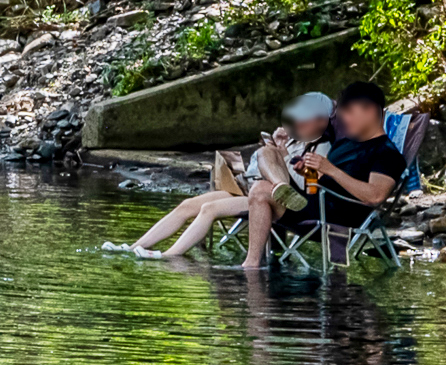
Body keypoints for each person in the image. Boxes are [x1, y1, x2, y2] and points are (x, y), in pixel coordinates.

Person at [113, 94, 332, 257]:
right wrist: (281, 148)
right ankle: (133, 247)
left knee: (210, 209)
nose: (298, 122)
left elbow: (307, 187)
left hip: (270, 199)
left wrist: (281, 155)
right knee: (188, 204)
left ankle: (169, 255)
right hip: (253, 187)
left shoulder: (323, 148)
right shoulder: (296, 140)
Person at [247, 82, 403, 268]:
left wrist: (330, 169)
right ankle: (282, 187)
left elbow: (375, 196)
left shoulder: (386, 153)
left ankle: (251, 266)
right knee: (267, 152)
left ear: (370, 111)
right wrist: (306, 171)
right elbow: (323, 180)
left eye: (349, 113)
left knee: (261, 191)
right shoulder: (345, 144)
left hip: (337, 216)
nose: (344, 120)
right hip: (316, 203)